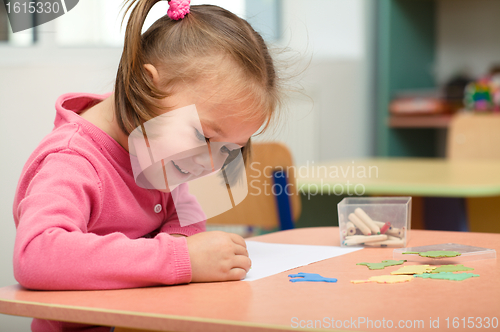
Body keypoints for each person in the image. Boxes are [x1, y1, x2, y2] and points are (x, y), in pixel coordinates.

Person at [12, 0, 282, 331]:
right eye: (204, 135)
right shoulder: (73, 160)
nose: (210, 163)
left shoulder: (156, 152)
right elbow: (37, 255)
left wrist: (188, 250)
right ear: (148, 84)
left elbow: (185, 220)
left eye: (228, 150)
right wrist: (181, 259)